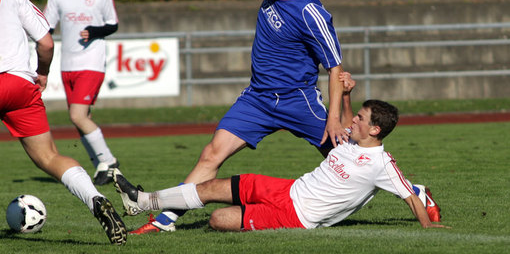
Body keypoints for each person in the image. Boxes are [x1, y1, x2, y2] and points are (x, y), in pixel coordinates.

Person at [128, 0, 347, 234]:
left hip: (298, 100)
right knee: (211, 154)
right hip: (256, 99)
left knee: (350, 159)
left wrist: (333, 120)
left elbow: (335, 68)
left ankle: (413, 191)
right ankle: (165, 219)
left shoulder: (311, 13)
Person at [113, 74, 446, 231]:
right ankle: (142, 202)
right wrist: (346, 94)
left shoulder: (382, 163)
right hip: (287, 189)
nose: (353, 121)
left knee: (217, 220)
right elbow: (344, 119)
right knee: (212, 187)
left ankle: (158, 213)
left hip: (296, 217)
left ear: (375, 130)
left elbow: (409, 196)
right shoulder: (350, 140)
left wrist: (427, 226)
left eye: (361, 118)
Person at [0, 0, 127, 245]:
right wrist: (42, 73)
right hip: (21, 84)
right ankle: (96, 198)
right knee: (49, 157)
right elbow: (45, 42)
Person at [43, 0, 119, 185]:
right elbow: (46, 26)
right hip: (68, 63)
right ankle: (101, 168)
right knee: (81, 117)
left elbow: (112, 24)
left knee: (77, 116)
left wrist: (95, 31)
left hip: (92, 62)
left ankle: (109, 161)